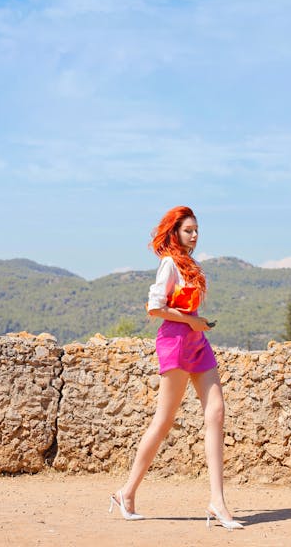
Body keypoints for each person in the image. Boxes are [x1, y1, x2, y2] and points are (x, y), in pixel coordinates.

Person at [109, 205, 243, 530]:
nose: (194, 235)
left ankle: (218, 501)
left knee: (217, 412)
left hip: (197, 342)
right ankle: (126, 493)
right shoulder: (169, 264)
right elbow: (155, 308)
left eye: (196, 230)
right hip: (175, 341)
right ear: (175, 232)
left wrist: (198, 324)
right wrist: (191, 320)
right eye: (188, 230)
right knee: (164, 419)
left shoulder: (192, 265)